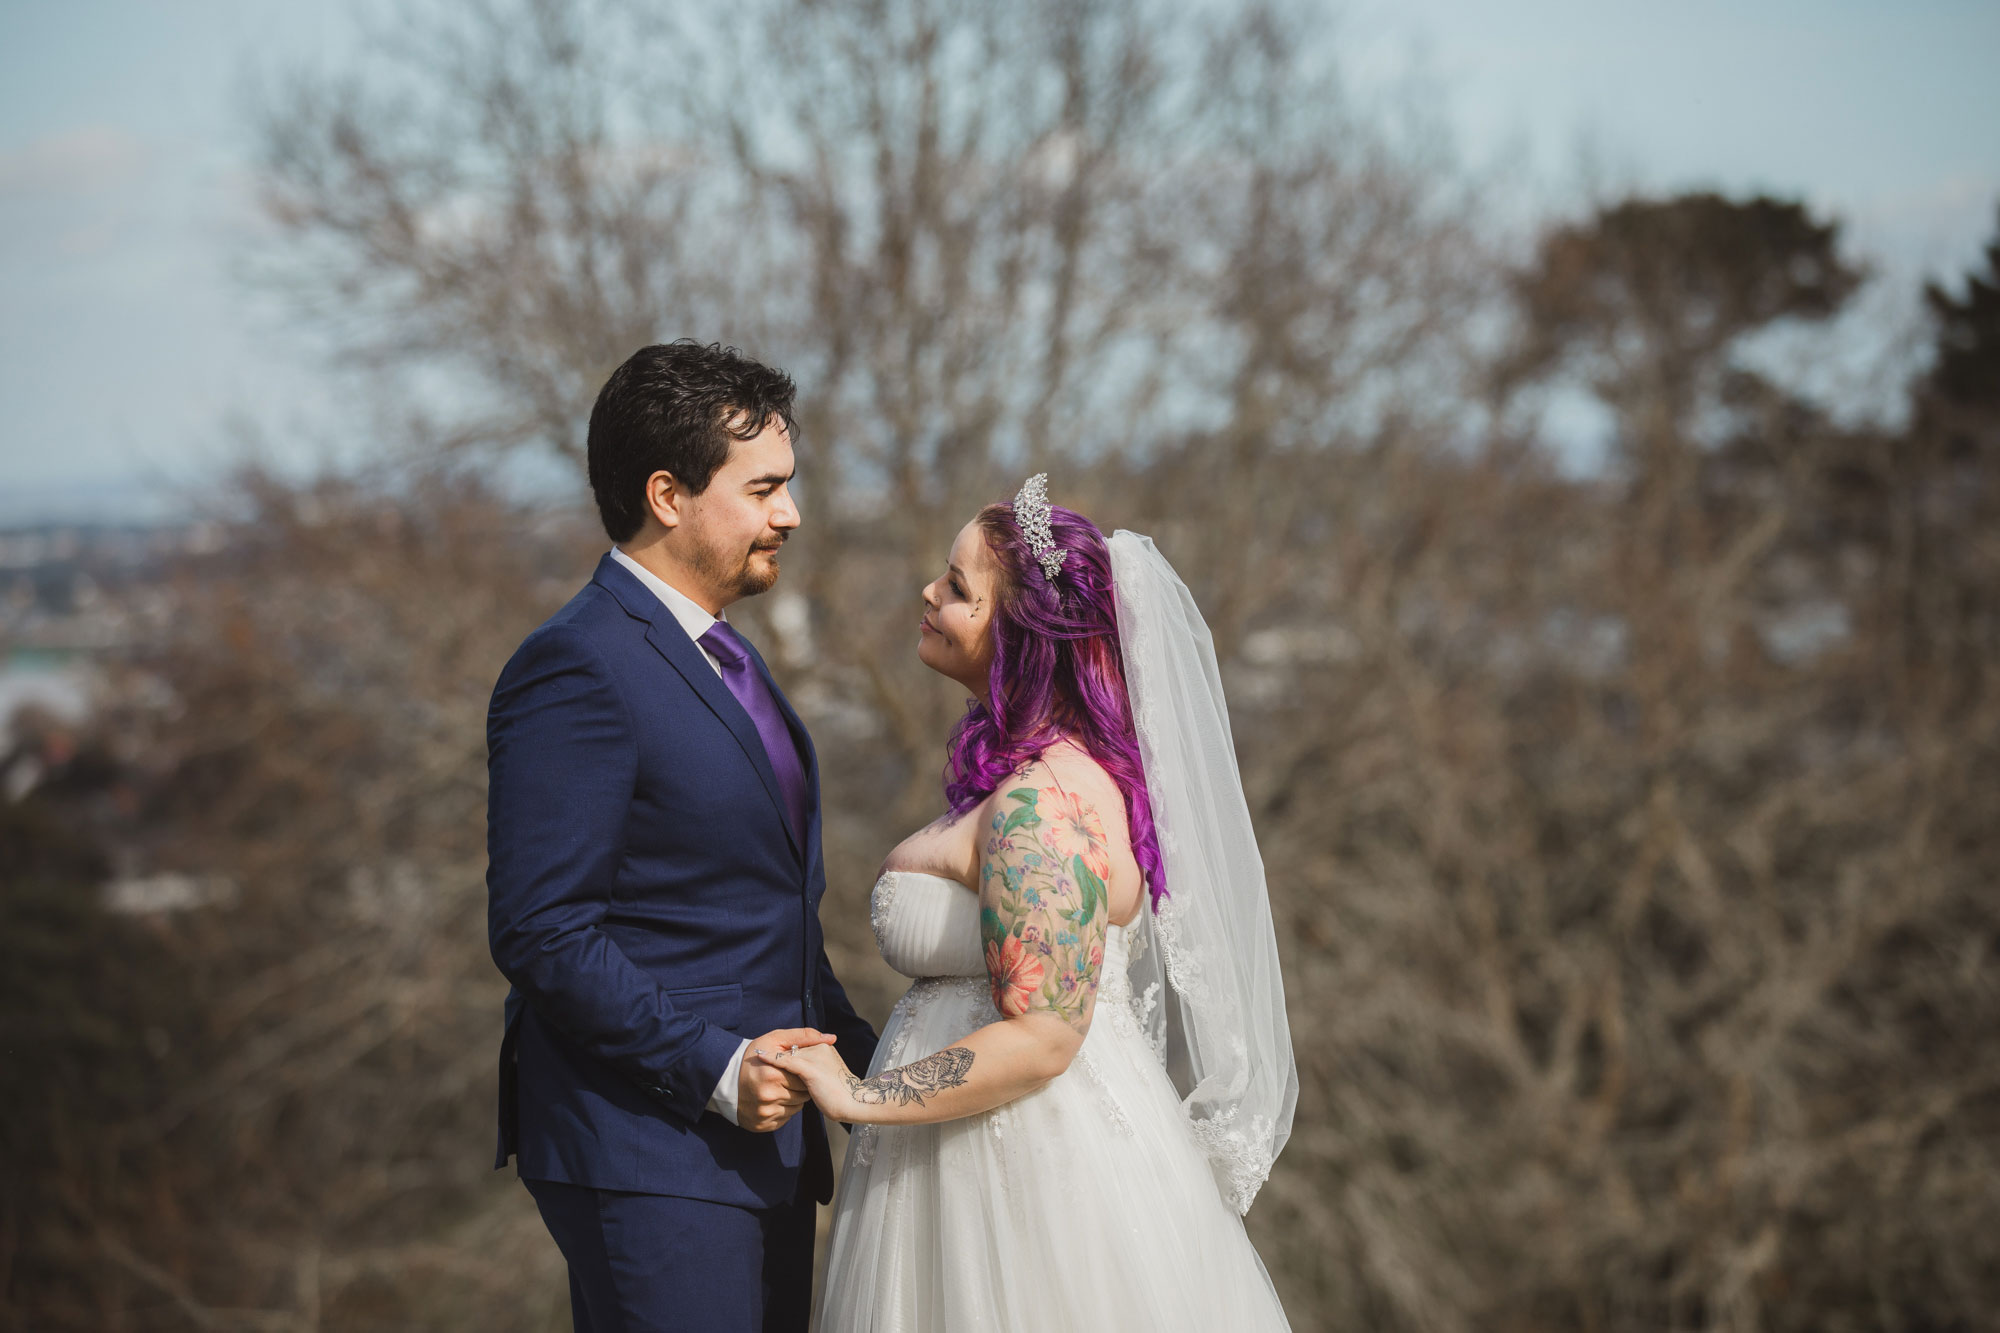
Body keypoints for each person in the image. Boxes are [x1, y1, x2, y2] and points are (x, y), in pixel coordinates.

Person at [784, 475, 1297, 1331]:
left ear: (1019, 635)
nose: (928, 593)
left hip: (1023, 1174)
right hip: (968, 1163)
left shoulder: (1042, 806)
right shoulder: (1038, 779)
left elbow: (1044, 1036)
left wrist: (860, 1098)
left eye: (956, 587)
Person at [484, 340, 879, 1332]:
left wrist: (886, 1072)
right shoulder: (576, 667)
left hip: (769, 1150)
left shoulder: (724, 658)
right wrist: (712, 1068)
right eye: (763, 489)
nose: (789, 513)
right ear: (668, 494)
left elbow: (765, 913)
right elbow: (542, 930)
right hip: (650, 1150)